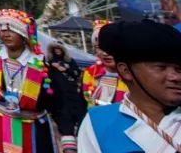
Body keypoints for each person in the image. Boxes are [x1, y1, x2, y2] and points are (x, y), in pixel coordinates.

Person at [0, 9, 78, 153]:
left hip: (34, 130)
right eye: (2, 29)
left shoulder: (41, 66)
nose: (6, 34)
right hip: (0, 126)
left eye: (11, 29)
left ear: (24, 34)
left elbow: (59, 105)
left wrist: (67, 138)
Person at [76, 20, 181, 152]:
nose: (175, 77)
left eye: (179, 69)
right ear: (126, 71)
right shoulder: (98, 123)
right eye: (161, 67)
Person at [82, 19, 128, 107]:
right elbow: (88, 100)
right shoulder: (90, 72)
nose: (105, 53)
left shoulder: (134, 72)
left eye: (110, 46)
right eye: (99, 47)